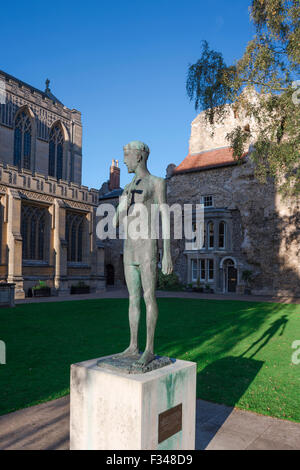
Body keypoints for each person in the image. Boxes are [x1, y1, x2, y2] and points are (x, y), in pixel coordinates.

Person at [113, 140, 173, 369]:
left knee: (149, 297)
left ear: (139, 156)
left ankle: (149, 348)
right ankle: (132, 346)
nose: (125, 160)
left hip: (148, 246)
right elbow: (116, 221)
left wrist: (167, 252)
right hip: (130, 247)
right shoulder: (127, 188)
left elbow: (165, 218)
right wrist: (122, 204)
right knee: (132, 298)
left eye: (126, 156)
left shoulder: (157, 182)